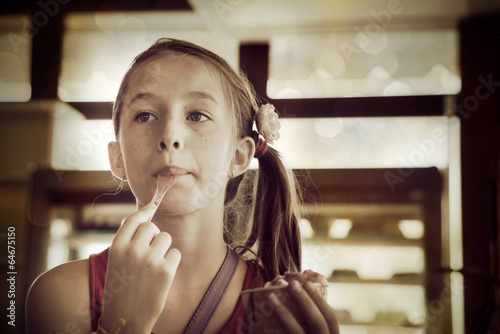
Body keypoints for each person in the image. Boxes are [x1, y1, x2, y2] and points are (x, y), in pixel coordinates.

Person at [26, 38, 339, 334]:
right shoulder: (60, 296)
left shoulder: (275, 307)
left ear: (239, 156)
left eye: (197, 115)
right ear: (118, 157)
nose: (169, 135)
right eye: (145, 115)